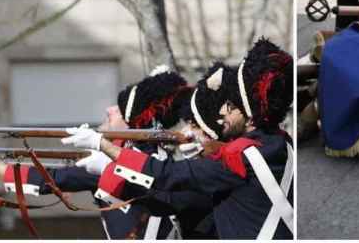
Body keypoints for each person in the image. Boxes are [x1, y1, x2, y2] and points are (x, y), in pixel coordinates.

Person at [66, 39, 294, 240]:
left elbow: (169, 177)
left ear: (251, 114)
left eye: (231, 106)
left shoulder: (240, 155)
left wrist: (104, 147)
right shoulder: (279, 142)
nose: (223, 111)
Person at [0, 69, 209, 239]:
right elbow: (52, 177)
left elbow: (49, 180)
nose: (110, 110)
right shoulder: (153, 157)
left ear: (134, 122)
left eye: (119, 110)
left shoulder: (155, 160)